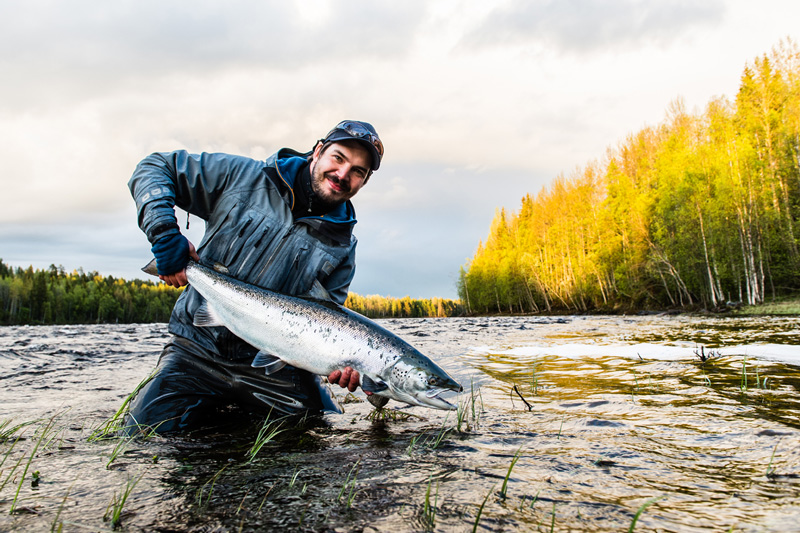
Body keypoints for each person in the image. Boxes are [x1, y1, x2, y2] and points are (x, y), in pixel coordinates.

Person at [125, 120, 384, 434]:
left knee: (322, 439)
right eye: (339, 158)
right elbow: (154, 167)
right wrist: (164, 233)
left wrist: (340, 366)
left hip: (278, 371)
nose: (343, 174)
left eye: (358, 171)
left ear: (364, 181)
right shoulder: (242, 177)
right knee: (140, 439)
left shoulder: (344, 246)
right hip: (196, 352)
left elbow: (327, 320)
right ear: (317, 152)